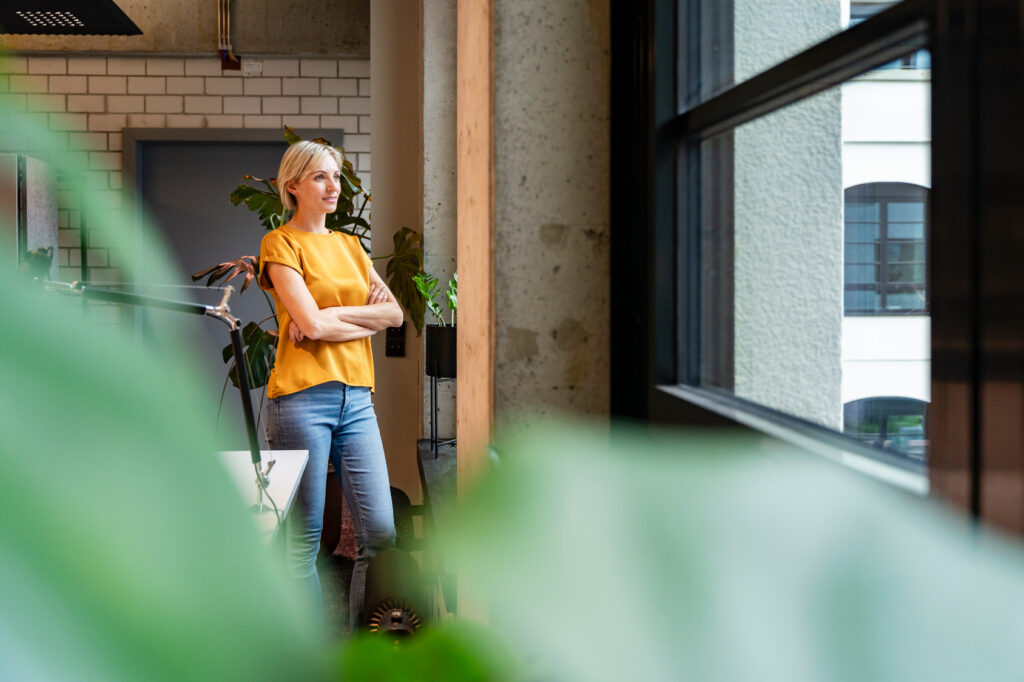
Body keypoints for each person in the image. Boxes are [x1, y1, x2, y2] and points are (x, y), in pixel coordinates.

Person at [257, 140, 403, 633]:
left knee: (380, 534)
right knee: (304, 542)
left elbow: (394, 314)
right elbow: (312, 326)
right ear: (293, 185)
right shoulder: (280, 244)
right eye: (320, 176)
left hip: (357, 399)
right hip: (301, 400)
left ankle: (363, 647)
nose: (333, 186)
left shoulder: (350, 246)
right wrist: (343, 320)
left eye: (336, 177)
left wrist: (329, 315)